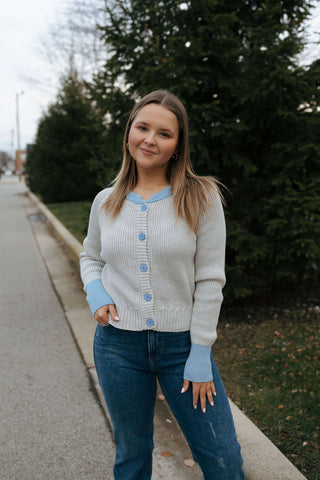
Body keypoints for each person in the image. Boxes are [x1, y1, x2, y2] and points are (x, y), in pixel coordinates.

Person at [80, 90, 245, 480]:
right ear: (128, 134)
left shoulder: (202, 196)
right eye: (142, 128)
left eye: (164, 133)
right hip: (118, 345)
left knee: (224, 460)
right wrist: (96, 291)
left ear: (177, 145)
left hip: (183, 347)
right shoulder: (106, 201)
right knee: (132, 453)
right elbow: (91, 256)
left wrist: (201, 350)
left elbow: (210, 279)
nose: (150, 139)